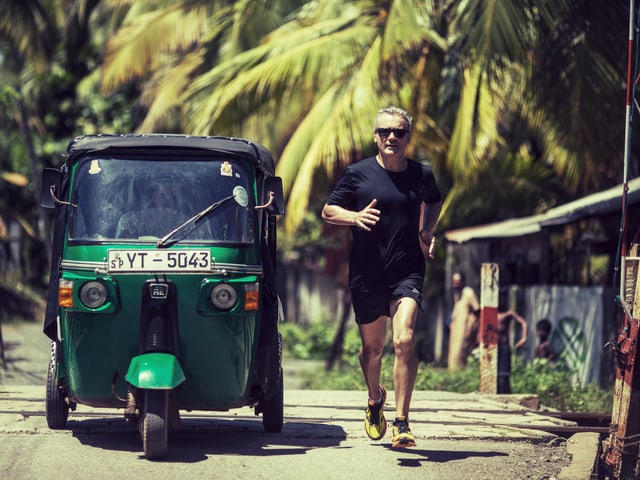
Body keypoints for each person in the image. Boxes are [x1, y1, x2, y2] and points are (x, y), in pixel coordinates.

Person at [321, 106, 442, 448]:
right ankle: (375, 399)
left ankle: (402, 423)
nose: (392, 137)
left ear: (407, 137)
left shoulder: (422, 174)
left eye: (399, 132)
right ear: (375, 136)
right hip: (367, 273)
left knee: (403, 340)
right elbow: (328, 210)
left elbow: (434, 200)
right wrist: (354, 216)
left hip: (407, 270)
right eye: (385, 131)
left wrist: (427, 230)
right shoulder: (357, 174)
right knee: (372, 350)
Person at [448, 271, 480, 370]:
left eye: (458, 281)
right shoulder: (457, 294)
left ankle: (462, 374)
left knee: (462, 352)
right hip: (456, 329)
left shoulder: (468, 292)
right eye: (454, 281)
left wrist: (474, 328)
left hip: (466, 328)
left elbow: (477, 309)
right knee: (454, 351)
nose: (456, 283)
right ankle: (454, 374)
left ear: (463, 281)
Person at [496, 308, 528, 393]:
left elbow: (523, 323)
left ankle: (506, 396)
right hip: (493, 348)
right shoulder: (491, 312)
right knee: (495, 376)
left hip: (504, 346)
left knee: (504, 376)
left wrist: (523, 338)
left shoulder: (508, 313)